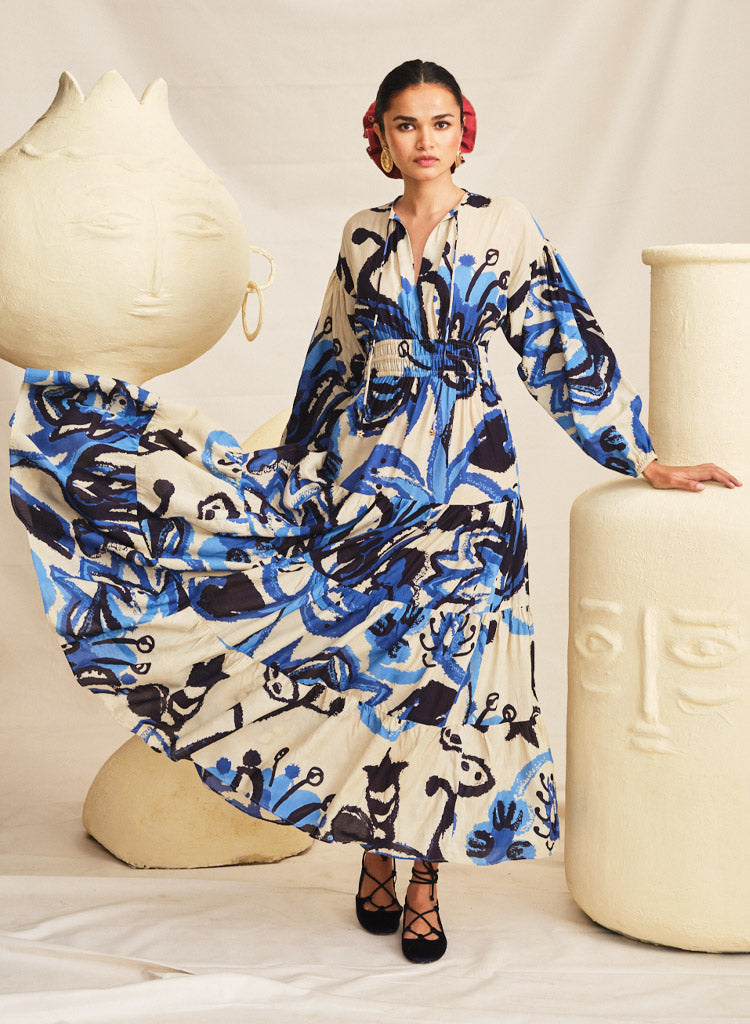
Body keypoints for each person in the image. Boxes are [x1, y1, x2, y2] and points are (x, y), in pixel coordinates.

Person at [8, 60, 740, 967]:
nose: (424, 140)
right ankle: (374, 855)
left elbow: (560, 343)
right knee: (374, 668)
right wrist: (291, 474)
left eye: (440, 122)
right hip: (367, 479)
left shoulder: (506, 225)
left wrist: (639, 455)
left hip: (471, 486)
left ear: (463, 131)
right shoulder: (362, 235)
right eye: (406, 124)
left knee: (449, 678)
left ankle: (423, 882)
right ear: (381, 136)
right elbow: (333, 357)